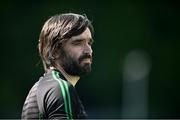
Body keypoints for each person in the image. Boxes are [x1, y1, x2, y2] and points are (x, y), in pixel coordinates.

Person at [21, 13, 94, 119]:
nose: (89, 50)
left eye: (89, 43)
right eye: (78, 43)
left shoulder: (40, 88)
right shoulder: (60, 88)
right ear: (55, 51)